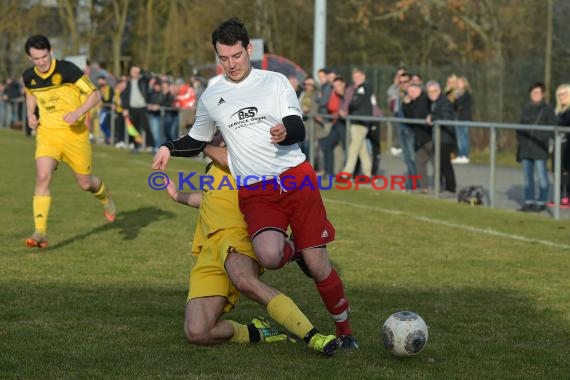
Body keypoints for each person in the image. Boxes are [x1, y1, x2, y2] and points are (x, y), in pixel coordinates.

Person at [153, 18, 357, 349]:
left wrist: (285, 131)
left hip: (295, 178)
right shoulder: (212, 94)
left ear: (249, 49)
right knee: (271, 255)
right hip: (255, 189)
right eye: (223, 58)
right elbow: (197, 138)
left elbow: (297, 126)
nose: (231, 64)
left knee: (319, 265)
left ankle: (345, 331)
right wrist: (169, 147)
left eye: (236, 55)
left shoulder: (275, 82)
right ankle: (295, 252)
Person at [163, 152, 340, 355]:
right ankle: (257, 331)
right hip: (209, 248)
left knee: (244, 280)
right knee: (197, 332)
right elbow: (208, 199)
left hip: (238, 235)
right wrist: (178, 196)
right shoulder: (213, 165)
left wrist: (197, 143)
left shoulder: (244, 151)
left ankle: (313, 336)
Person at [22, 34, 115, 248]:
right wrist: (30, 114)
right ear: (30, 58)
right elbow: (30, 93)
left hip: (75, 135)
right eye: (36, 59)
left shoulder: (68, 70)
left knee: (85, 184)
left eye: (44, 57)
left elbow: (95, 95)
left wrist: (78, 112)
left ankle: (104, 196)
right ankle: (40, 233)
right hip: (48, 135)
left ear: (51, 52)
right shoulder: (29, 76)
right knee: (42, 176)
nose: (41, 62)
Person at [516, 82, 556, 212]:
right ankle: (529, 201)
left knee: (542, 178)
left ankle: (541, 201)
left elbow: (552, 129)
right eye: (533, 92)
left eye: (538, 92)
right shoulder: (526, 108)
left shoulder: (548, 109)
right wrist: (521, 143)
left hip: (540, 148)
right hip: (526, 148)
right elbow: (519, 128)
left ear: (543, 94)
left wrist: (541, 137)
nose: (535, 95)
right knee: (527, 177)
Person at [426, 80, 457, 195]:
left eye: (434, 91)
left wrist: (433, 118)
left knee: (444, 163)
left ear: (439, 91)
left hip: (445, 138)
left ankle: (450, 187)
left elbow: (446, 117)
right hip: (437, 137)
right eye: (429, 92)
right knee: (440, 163)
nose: (432, 94)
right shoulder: (433, 103)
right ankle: (442, 186)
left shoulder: (444, 102)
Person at [548, 84, 570, 209]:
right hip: (558, 145)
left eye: (564, 94)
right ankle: (560, 196)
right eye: (559, 95)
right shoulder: (558, 111)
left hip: (567, 146)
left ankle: (566, 197)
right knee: (557, 171)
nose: (561, 97)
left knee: (566, 172)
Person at [452, 76, 473, 164]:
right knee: (459, 137)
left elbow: (459, 102)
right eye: (457, 83)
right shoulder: (457, 93)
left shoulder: (466, 93)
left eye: (460, 82)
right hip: (458, 117)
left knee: (464, 136)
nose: (458, 84)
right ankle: (460, 155)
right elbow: (454, 105)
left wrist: (456, 97)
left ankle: (465, 155)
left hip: (464, 118)